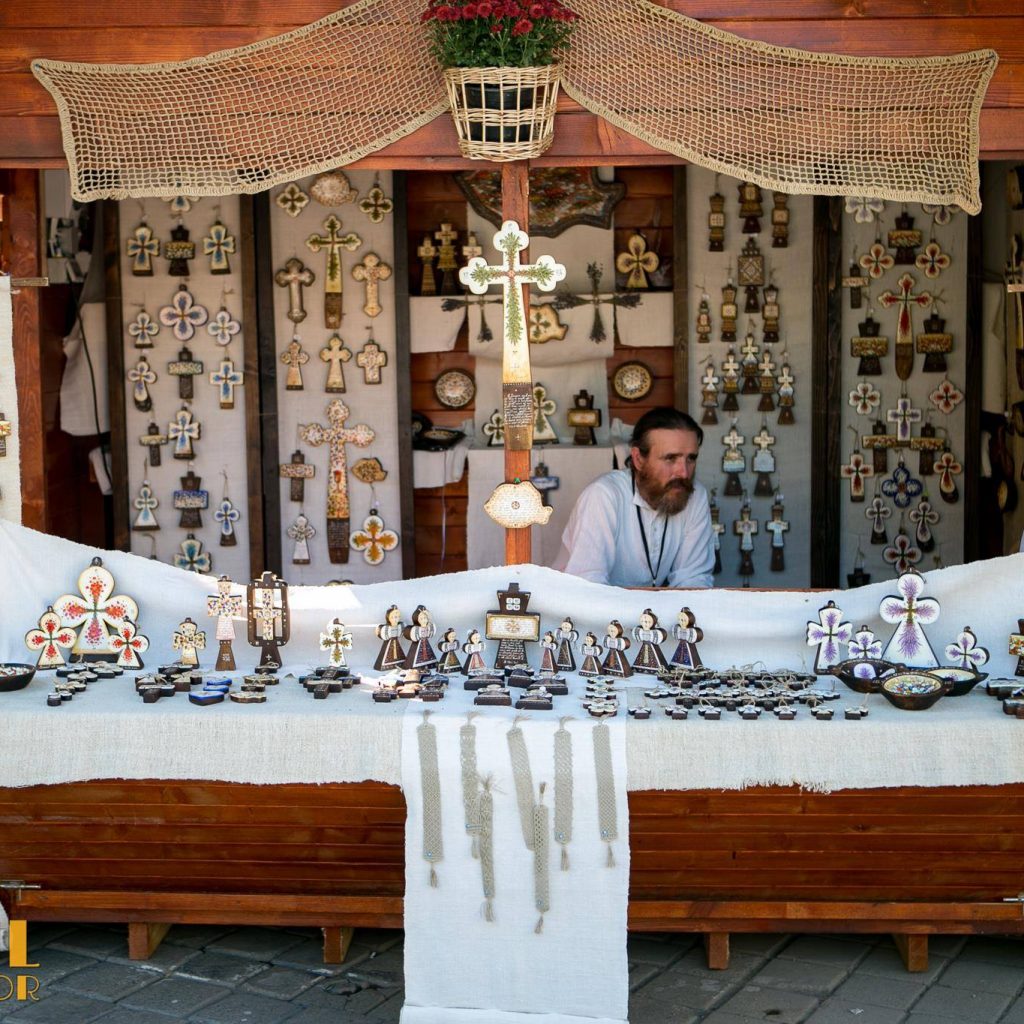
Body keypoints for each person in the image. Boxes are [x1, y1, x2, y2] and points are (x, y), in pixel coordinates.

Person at [553, 407, 715, 588]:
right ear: (638, 459)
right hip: (585, 604)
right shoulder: (603, 496)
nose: (684, 473)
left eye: (691, 459)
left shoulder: (694, 495)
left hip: (650, 606)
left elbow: (693, 580)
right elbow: (589, 587)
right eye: (670, 458)